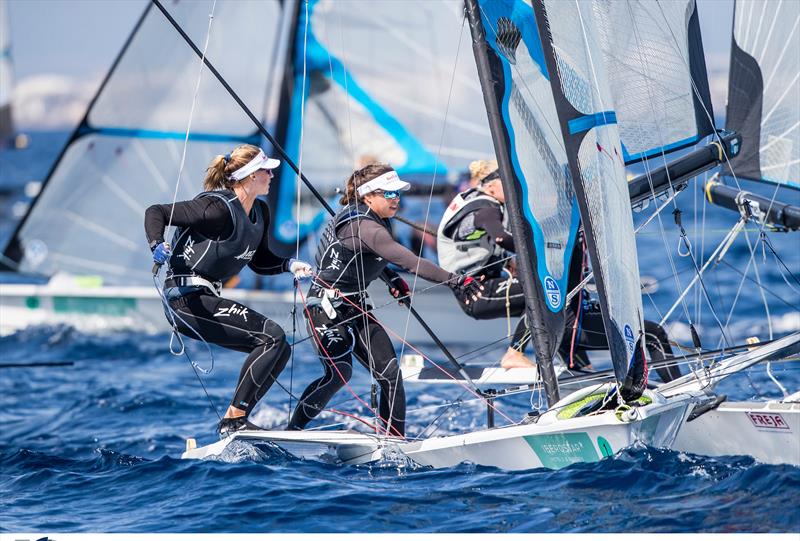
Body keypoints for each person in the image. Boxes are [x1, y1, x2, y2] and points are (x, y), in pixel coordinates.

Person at [287, 163, 482, 437]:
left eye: (397, 194)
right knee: (339, 374)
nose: (396, 199)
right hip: (324, 309)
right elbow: (412, 262)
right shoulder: (366, 227)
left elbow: (367, 258)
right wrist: (457, 280)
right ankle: (292, 430)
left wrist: (392, 280)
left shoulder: (377, 222)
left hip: (356, 307)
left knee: (390, 375)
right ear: (368, 196)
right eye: (389, 194)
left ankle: (395, 440)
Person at [144, 144, 314, 436]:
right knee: (271, 337)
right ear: (249, 176)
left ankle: (237, 418)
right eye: (266, 171)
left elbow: (259, 261)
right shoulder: (215, 209)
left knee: (280, 347)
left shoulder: (260, 211)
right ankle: (233, 421)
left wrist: (289, 265)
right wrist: (157, 245)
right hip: (184, 301)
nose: (272, 175)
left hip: (206, 297)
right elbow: (156, 211)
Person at [437, 159, 531, 369]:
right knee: (543, 296)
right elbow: (499, 236)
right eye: (506, 183)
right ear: (490, 186)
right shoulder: (487, 208)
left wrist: (506, 261)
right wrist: (535, 253)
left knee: (555, 305)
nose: (513, 187)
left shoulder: (476, 198)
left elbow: (480, 240)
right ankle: (515, 354)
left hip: (480, 286)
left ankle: (574, 363)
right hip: (478, 292)